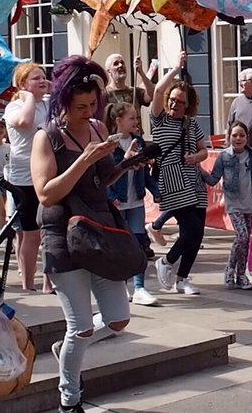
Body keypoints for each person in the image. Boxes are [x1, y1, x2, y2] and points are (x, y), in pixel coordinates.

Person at [30, 56, 140, 413]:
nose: (88, 111)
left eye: (93, 104)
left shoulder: (95, 128)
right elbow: (46, 193)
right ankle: (69, 400)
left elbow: (101, 181)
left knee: (118, 319)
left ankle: (64, 351)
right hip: (63, 236)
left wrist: (124, 165)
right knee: (81, 328)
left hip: (99, 231)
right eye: (80, 106)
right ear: (62, 102)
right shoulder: (46, 138)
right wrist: (84, 160)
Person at [150, 53, 209, 296]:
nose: (174, 105)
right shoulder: (159, 120)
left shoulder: (191, 123)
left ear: (188, 105)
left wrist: (196, 157)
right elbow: (156, 91)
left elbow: (203, 150)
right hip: (172, 179)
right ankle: (166, 262)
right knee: (192, 229)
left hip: (193, 179)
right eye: (172, 100)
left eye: (180, 102)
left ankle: (182, 278)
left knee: (196, 233)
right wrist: (175, 69)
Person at [3, 62, 52, 293]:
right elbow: (24, 122)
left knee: (50, 231)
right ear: (23, 84)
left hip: (48, 172)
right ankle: (28, 283)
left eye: (44, 77)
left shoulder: (49, 103)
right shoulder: (15, 107)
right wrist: (28, 97)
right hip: (24, 178)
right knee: (31, 234)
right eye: (36, 78)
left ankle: (48, 282)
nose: (42, 81)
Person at [107, 101, 160, 307]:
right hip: (117, 203)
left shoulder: (138, 141)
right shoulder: (110, 144)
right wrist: (111, 195)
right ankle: (120, 286)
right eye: (132, 118)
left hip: (136, 201)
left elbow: (144, 172)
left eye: (136, 118)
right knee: (119, 245)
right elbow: (104, 174)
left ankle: (139, 287)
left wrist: (155, 191)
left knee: (139, 244)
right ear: (118, 121)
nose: (136, 122)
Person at [202, 120, 252, 291]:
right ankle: (230, 269)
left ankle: (241, 275)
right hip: (233, 202)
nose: (238, 138)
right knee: (241, 236)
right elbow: (213, 179)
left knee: (246, 240)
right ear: (229, 137)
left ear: (247, 138)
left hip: (249, 202)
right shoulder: (224, 156)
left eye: (242, 135)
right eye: (234, 135)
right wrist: (200, 170)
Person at [227, 68, 252, 150]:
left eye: (243, 80)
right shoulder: (236, 102)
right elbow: (229, 125)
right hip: (239, 151)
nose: (240, 83)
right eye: (239, 81)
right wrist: (227, 146)